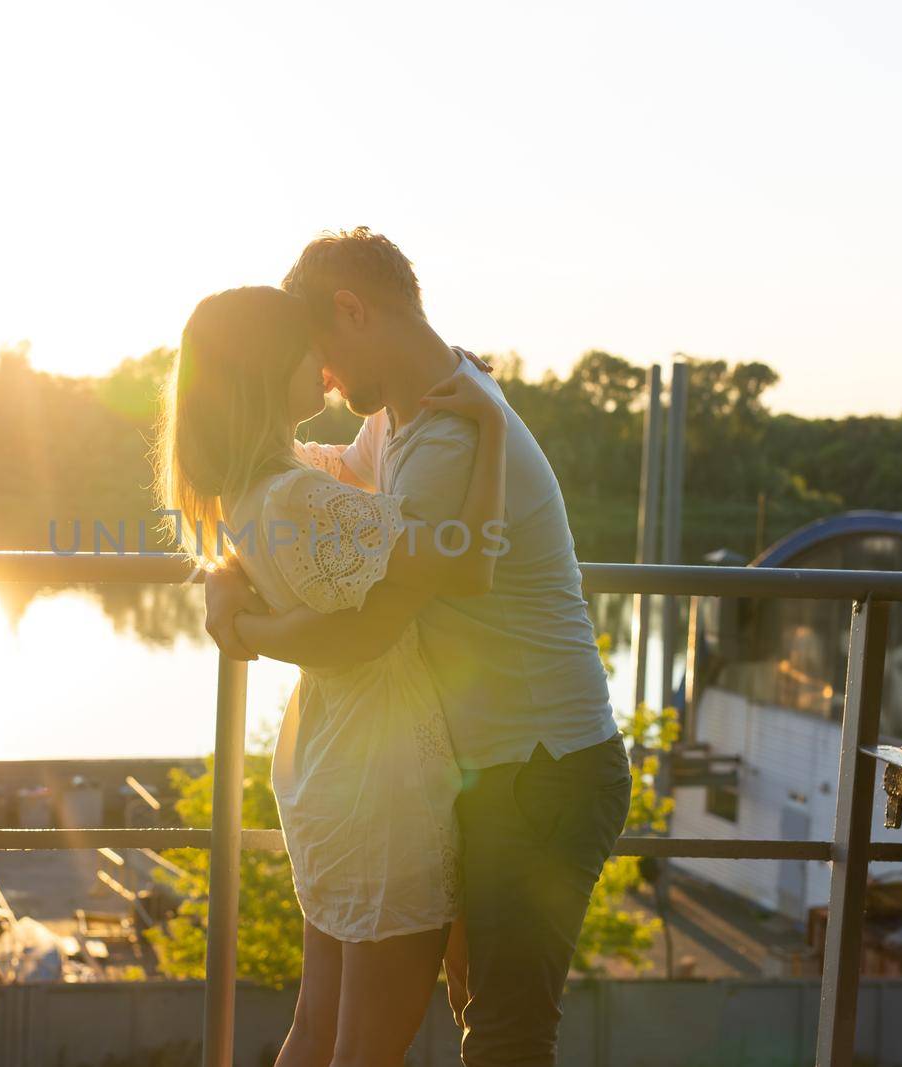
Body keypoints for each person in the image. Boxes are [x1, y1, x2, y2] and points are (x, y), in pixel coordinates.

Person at [206, 229, 632, 1067]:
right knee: (481, 1014)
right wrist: (223, 559)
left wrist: (246, 621)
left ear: (352, 310)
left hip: (539, 768)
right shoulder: (408, 418)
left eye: (317, 350)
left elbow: (389, 603)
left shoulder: (451, 434)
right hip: (490, 768)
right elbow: (306, 485)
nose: (321, 376)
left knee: (505, 1035)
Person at [156, 284, 510, 1067]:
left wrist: (240, 609)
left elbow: (328, 563)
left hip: (331, 763)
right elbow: (469, 560)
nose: (322, 365)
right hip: (381, 785)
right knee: (361, 1052)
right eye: (304, 351)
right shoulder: (303, 500)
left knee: (315, 1033)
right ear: (264, 370)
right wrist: (493, 425)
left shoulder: (253, 491)